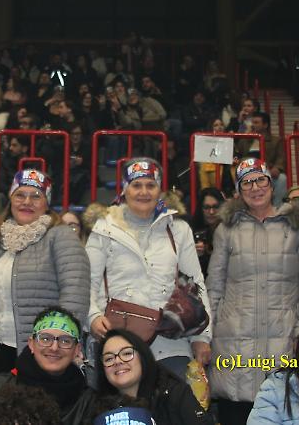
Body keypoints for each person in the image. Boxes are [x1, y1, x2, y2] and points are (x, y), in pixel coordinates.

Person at [206, 157, 299, 425]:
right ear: (238, 190)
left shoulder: (296, 226)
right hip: (233, 345)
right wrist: (208, 333)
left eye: (260, 180)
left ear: (271, 184)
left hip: (284, 340)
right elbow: (214, 286)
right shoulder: (226, 229)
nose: (255, 187)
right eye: (247, 182)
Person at [86, 158, 212, 379]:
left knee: (177, 400)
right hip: (119, 341)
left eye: (150, 185)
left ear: (159, 190)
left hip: (169, 342)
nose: (143, 192)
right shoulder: (104, 228)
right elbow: (87, 281)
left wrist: (202, 337)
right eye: (136, 185)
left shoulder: (178, 228)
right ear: (124, 189)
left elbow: (196, 283)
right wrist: (93, 316)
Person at [0, 169, 90, 389]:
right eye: (20, 195)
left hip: (42, 354)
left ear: (47, 203)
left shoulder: (61, 236)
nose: (27, 202)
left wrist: (59, 343)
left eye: (36, 196)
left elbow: (75, 293)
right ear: (11, 199)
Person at [0, 307, 94, 425]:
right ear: (31, 344)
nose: (54, 348)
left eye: (65, 341)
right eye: (45, 339)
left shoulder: (88, 402)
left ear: (77, 350)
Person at [95, 328, 214, 424]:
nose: (117, 361)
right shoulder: (95, 407)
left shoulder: (174, 393)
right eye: (109, 358)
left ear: (143, 357)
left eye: (126, 353)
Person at [190, 188, 225, 279]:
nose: (211, 212)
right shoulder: (191, 231)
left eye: (215, 207)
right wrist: (195, 256)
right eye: (207, 207)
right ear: (201, 209)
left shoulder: (230, 230)